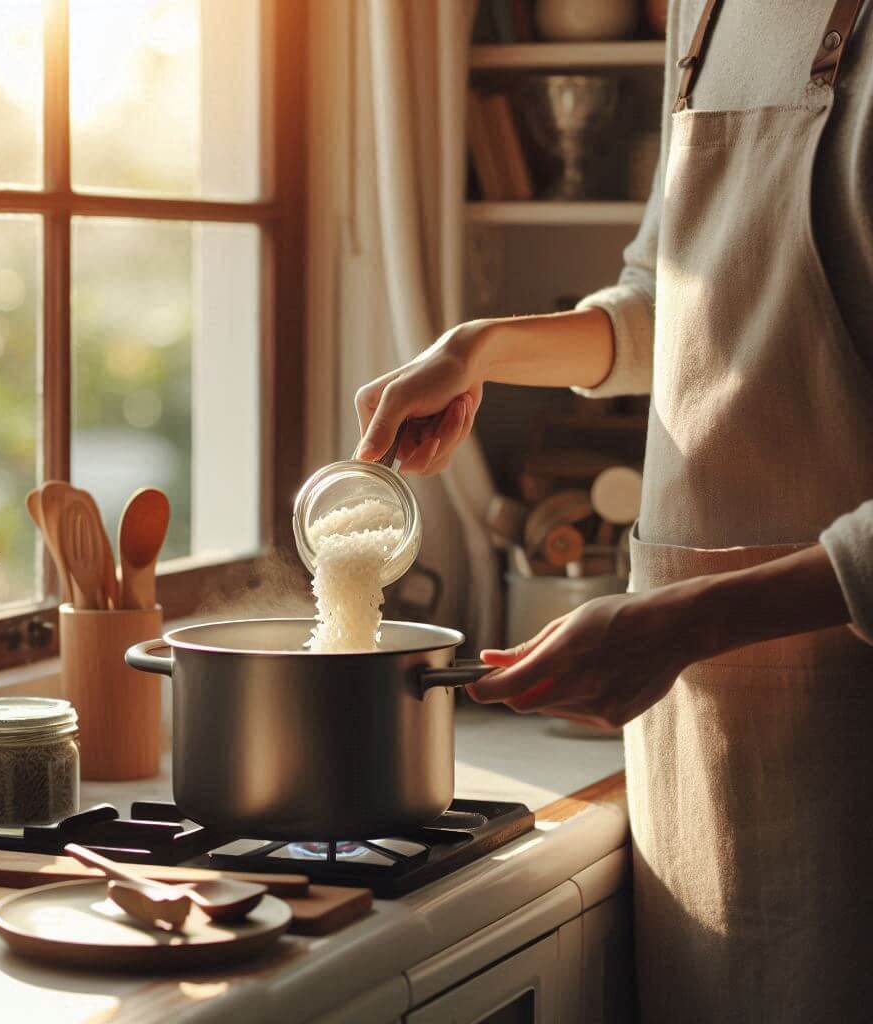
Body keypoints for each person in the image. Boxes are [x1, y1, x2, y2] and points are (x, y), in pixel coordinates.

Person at [355, 1, 873, 1020]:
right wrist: (484, 348)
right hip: (701, 735)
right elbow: (668, 302)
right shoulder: (702, 10)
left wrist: (689, 618)